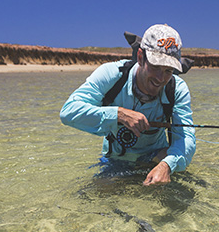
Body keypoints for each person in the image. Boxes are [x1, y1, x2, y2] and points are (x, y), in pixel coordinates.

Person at [60, 24, 196, 186]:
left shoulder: (177, 88)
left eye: (168, 71)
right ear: (140, 57)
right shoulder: (111, 74)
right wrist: (118, 114)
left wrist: (168, 165)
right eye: (155, 67)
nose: (160, 78)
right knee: (96, 196)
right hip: (116, 159)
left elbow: (186, 138)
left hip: (156, 157)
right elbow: (68, 112)